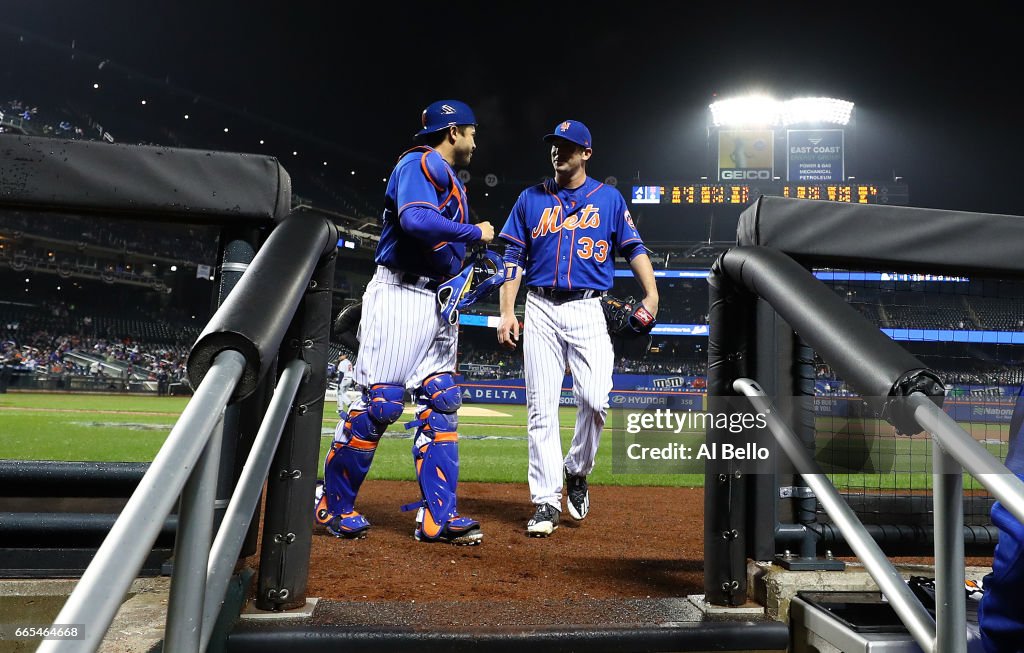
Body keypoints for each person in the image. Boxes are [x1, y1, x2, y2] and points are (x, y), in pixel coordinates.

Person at [315, 99, 494, 545]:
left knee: (443, 401)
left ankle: (438, 516)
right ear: (452, 131)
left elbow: (439, 243)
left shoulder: (448, 177)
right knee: (380, 406)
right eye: (471, 131)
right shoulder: (417, 164)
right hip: (399, 293)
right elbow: (415, 220)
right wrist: (476, 234)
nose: (475, 139)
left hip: (437, 300)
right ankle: (332, 507)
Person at [496, 119, 659, 536]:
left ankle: (577, 469)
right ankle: (547, 502)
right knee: (540, 410)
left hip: (589, 309)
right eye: (554, 145)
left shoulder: (608, 199)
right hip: (541, 307)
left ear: (586, 153)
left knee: (595, 400)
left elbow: (633, 248)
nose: (559, 151)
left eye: (568, 146)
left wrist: (652, 295)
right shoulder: (530, 199)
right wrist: (508, 310)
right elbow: (512, 256)